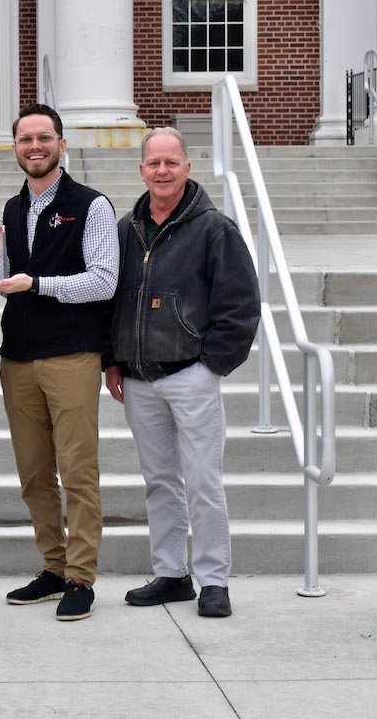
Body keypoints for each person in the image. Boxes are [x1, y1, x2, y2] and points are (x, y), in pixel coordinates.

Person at [104, 126, 260, 619]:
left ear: (187, 168)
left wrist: (210, 364)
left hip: (190, 374)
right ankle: (171, 574)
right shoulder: (127, 228)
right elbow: (110, 299)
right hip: (139, 379)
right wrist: (113, 358)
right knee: (160, 481)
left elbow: (240, 306)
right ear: (142, 169)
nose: (163, 171)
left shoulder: (215, 229)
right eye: (154, 163)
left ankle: (214, 580)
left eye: (172, 162)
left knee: (202, 481)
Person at [0, 103, 119, 622]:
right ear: (14, 147)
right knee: (35, 474)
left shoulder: (92, 205)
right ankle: (54, 567)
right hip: (17, 358)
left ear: (63, 144)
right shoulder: (11, 212)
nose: (34, 147)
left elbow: (104, 280)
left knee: (77, 471)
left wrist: (37, 285)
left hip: (71, 356)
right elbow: (5, 280)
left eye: (44, 138)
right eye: (24, 140)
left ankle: (81, 576)